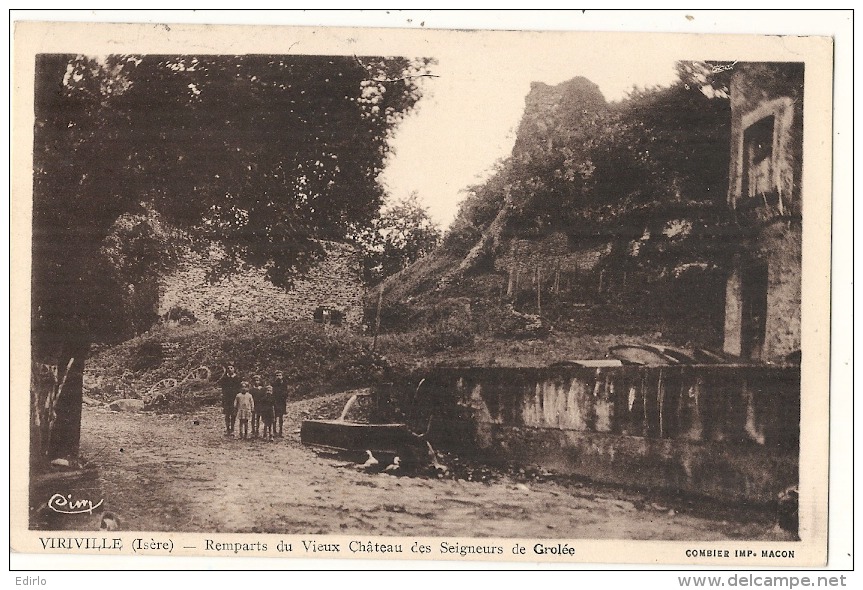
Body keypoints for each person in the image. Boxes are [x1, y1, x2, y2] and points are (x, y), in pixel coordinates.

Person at [219, 364, 241, 435]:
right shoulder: (224, 378)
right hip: (227, 399)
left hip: (234, 398)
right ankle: (228, 429)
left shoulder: (237, 378)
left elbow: (239, 389)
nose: (230, 369)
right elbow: (223, 389)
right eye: (228, 368)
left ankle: (232, 429)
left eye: (231, 368)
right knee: (227, 414)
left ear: (234, 369)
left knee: (233, 414)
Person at [272, 371, 288, 437]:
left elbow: (286, 393)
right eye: (277, 375)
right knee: (274, 417)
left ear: (282, 376)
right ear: (275, 377)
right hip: (275, 402)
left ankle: (280, 432)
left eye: (280, 375)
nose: (278, 377)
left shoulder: (284, 384)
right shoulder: (273, 384)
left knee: (281, 417)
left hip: (282, 402)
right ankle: (274, 431)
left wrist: (283, 396)